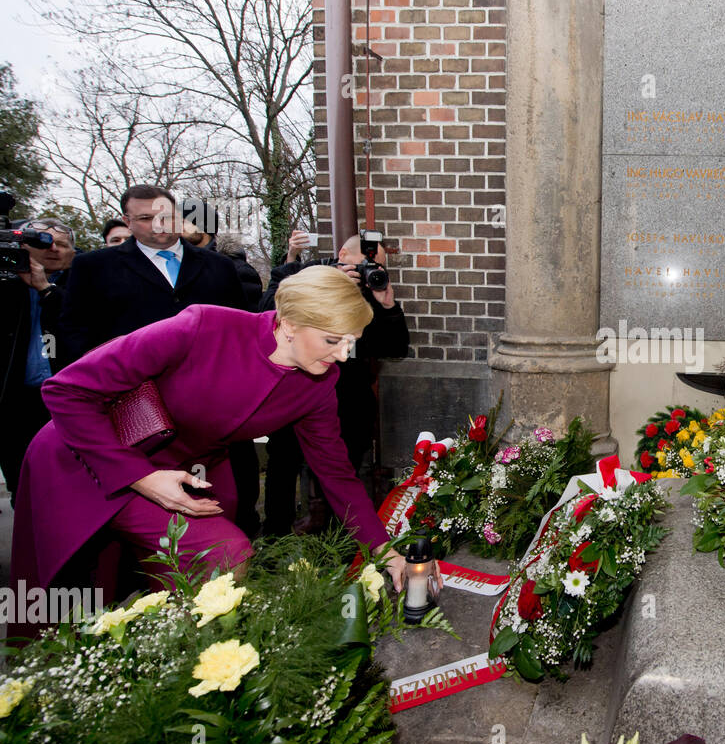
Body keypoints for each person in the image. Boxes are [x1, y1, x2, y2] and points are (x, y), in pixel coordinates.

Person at [9, 266, 423, 607]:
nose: (341, 355)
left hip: (186, 471)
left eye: (351, 342)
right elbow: (66, 390)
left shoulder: (318, 382)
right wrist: (140, 476)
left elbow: (335, 473)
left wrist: (384, 551)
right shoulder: (202, 325)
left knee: (199, 574)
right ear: (291, 323)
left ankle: (180, 670)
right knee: (77, 598)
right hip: (90, 457)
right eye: (333, 340)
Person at [260, 231, 409, 535]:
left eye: (377, 265)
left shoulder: (370, 291)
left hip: (349, 400)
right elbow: (265, 311)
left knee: (342, 471)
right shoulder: (304, 275)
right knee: (283, 466)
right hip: (293, 392)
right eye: (366, 261)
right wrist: (328, 283)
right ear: (343, 256)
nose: (371, 269)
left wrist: (387, 305)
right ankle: (275, 539)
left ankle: (335, 540)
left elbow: (396, 348)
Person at [59, 185, 247, 363]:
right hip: (130, 384)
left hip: (210, 380)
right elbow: (75, 332)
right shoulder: (93, 266)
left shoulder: (220, 265)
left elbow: (240, 327)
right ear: (127, 222)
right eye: (145, 218)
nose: (159, 225)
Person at [0, 220, 71, 503]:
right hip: (14, 399)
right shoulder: (7, 286)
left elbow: (79, 325)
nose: (53, 249)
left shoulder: (83, 284)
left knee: (69, 483)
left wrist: (45, 289)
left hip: (66, 399)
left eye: (62, 244)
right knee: (22, 485)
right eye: (43, 242)